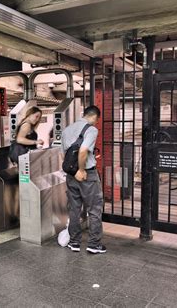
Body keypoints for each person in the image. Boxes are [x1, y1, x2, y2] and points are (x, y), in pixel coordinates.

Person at [61, 105, 106, 254]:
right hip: (86, 174)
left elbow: (64, 154)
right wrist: (81, 170)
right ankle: (94, 244)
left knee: (74, 209)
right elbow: (83, 151)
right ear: (94, 117)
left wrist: (73, 172)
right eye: (97, 120)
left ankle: (74, 242)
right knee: (94, 209)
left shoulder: (67, 129)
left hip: (70, 174)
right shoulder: (91, 129)